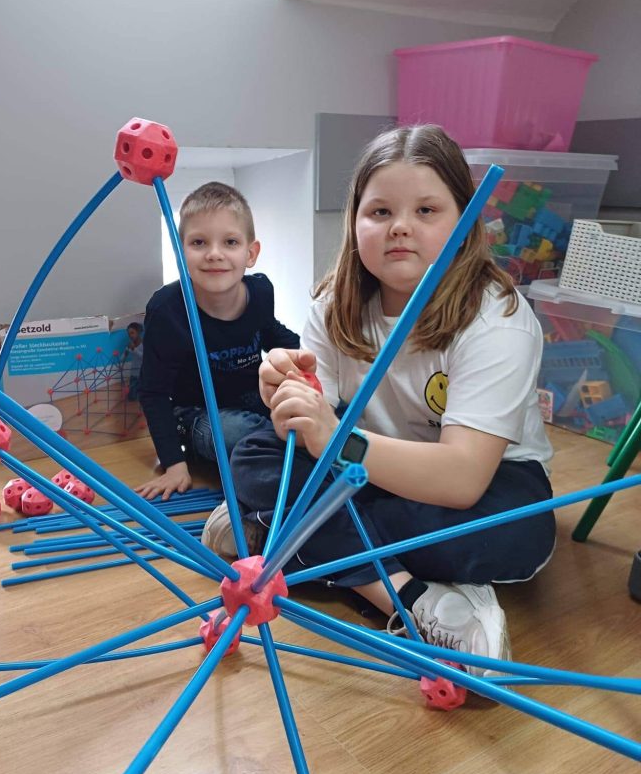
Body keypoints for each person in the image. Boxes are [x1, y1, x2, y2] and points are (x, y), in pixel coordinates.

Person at [205, 125, 556, 673]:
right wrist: (286, 396)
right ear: (354, 222)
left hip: (482, 481)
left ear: (465, 223)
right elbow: (305, 435)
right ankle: (411, 596)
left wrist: (332, 442)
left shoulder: (498, 318)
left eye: (426, 210)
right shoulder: (333, 304)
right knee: (255, 457)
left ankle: (279, 533)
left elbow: (463, 480)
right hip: (365, 471)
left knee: (518, 532)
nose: (400, 227)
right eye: (380, 211)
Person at [135, 181, 300, 500]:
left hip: (254, 401)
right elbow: (153, 392)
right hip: (198, 415)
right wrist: (174, 464)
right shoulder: (167, 310)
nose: (214, 254)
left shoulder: (261, 291)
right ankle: (285, 451)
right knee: (233, 433)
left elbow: (275, 336)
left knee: (322, 406)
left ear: (250, 253)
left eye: (230, 242)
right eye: (199, 242)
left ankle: (284, 450)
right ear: (180, 251)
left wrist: (307, 366)